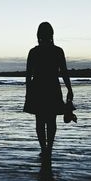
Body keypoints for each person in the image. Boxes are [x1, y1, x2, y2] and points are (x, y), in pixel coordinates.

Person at [24, 22, 73, 159]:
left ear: (38, 35)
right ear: (52, 34)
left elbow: (28, 75)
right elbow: (64, 72)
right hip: (52, 87)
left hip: (38, 88)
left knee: (40, 120)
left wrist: (28, 93)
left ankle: (44, 149)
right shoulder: (58, 51)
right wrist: (69, 88)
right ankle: (49, 148)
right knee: (51, 120)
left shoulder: (34, 52)